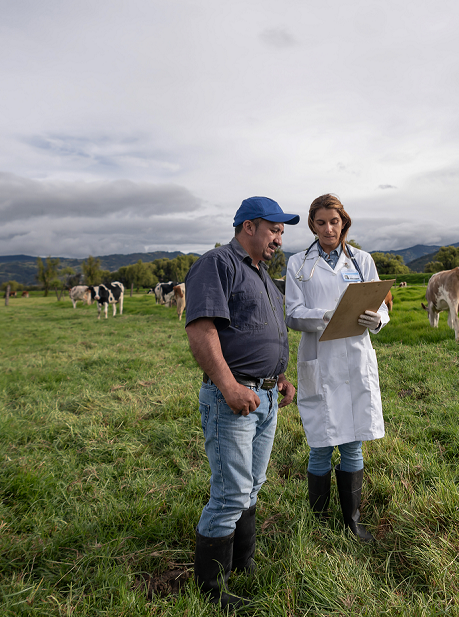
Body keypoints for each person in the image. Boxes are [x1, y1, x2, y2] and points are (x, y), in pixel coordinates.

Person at [183, 196, 298, 610]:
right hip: (233, 398)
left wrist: (280, 378)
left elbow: (262, 333)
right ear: (248, 227)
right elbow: (200, 330)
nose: (279, 238)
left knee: (253, 486)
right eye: (274, 229)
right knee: (231, 492)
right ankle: (211, 592)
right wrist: (230, 386)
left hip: (264, 396)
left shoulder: (264, 276)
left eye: (282, 232)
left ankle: (243, 565)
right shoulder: (218, 264)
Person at [285, 194, 390, 541]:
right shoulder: (298, 264)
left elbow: (381, 306)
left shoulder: (362, 260)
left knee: (352, 444)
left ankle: (353, 522)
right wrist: (324, 317)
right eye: (320, 222)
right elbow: (292, 313)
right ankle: (317, 524)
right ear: (313, 225)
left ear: (344, 222)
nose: (328, 229)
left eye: (334, 221)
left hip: (355, 357)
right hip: (320, 359)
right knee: (320, 443)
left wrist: (377, 319)